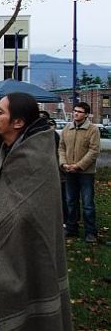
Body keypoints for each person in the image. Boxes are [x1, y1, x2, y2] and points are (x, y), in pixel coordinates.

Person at [0, 93, 71, 331]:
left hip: (25, 252)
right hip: (11, 251)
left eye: (0, 112)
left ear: (18, 122)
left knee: (17, 304)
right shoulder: (15, 148)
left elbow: (25, 212)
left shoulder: (34, 156)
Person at [59, 101, 100, 243]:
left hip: (86, 173)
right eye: (75, 111)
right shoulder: (67, 128)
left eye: (79, 112)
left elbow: (94, 151)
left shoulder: (93, 130)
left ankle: (90, 232)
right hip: (69, 171)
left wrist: (79, 166)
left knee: (88, 203)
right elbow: (61, 148)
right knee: (71, 201)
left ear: (86, 114)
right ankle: (72, 228)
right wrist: (63, 163)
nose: (75, 113)